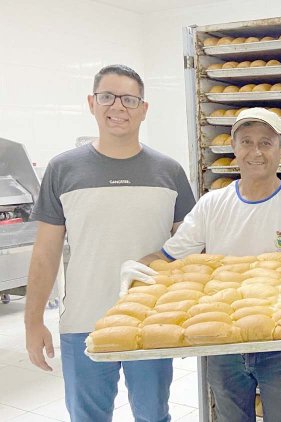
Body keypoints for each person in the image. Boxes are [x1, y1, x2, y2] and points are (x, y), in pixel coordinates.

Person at [120, 107, 281, 422]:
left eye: (266, 143)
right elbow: (169, 255)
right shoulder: (212, 205)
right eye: (246, 142)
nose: (255, 151)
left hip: (279, 344)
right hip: (222, 340)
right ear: (233, 147)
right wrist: (136, 266)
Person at [25, 64, 196, 422]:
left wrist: (186, 316)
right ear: (92, 102)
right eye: (107, 97)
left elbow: (189, 249)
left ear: (144, 109)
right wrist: (33, 321)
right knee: (88, 417)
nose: (118, 107)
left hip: (151, 320)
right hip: (84, 320)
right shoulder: (63, 169)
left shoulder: (169, 171)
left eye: (129, 99)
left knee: (153, 415)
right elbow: (45, 253)